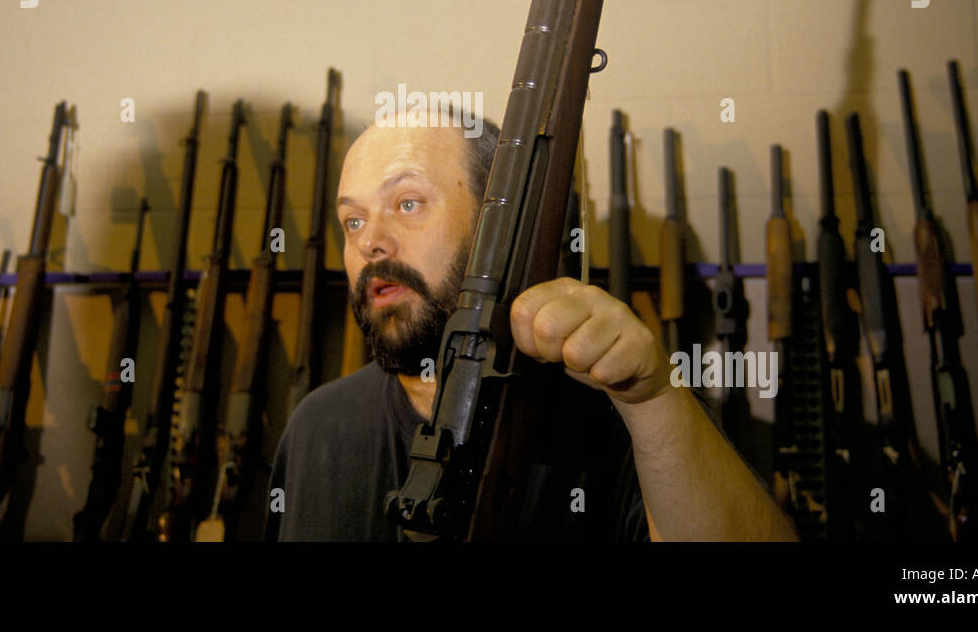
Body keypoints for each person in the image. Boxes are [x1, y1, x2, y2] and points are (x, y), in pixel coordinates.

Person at [266, 111, 797, 541]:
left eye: (407, 203)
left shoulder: (629, 421)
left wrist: (651, 399)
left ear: (499, 227)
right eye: (352, 220)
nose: (368, 242)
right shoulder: (316, 428)